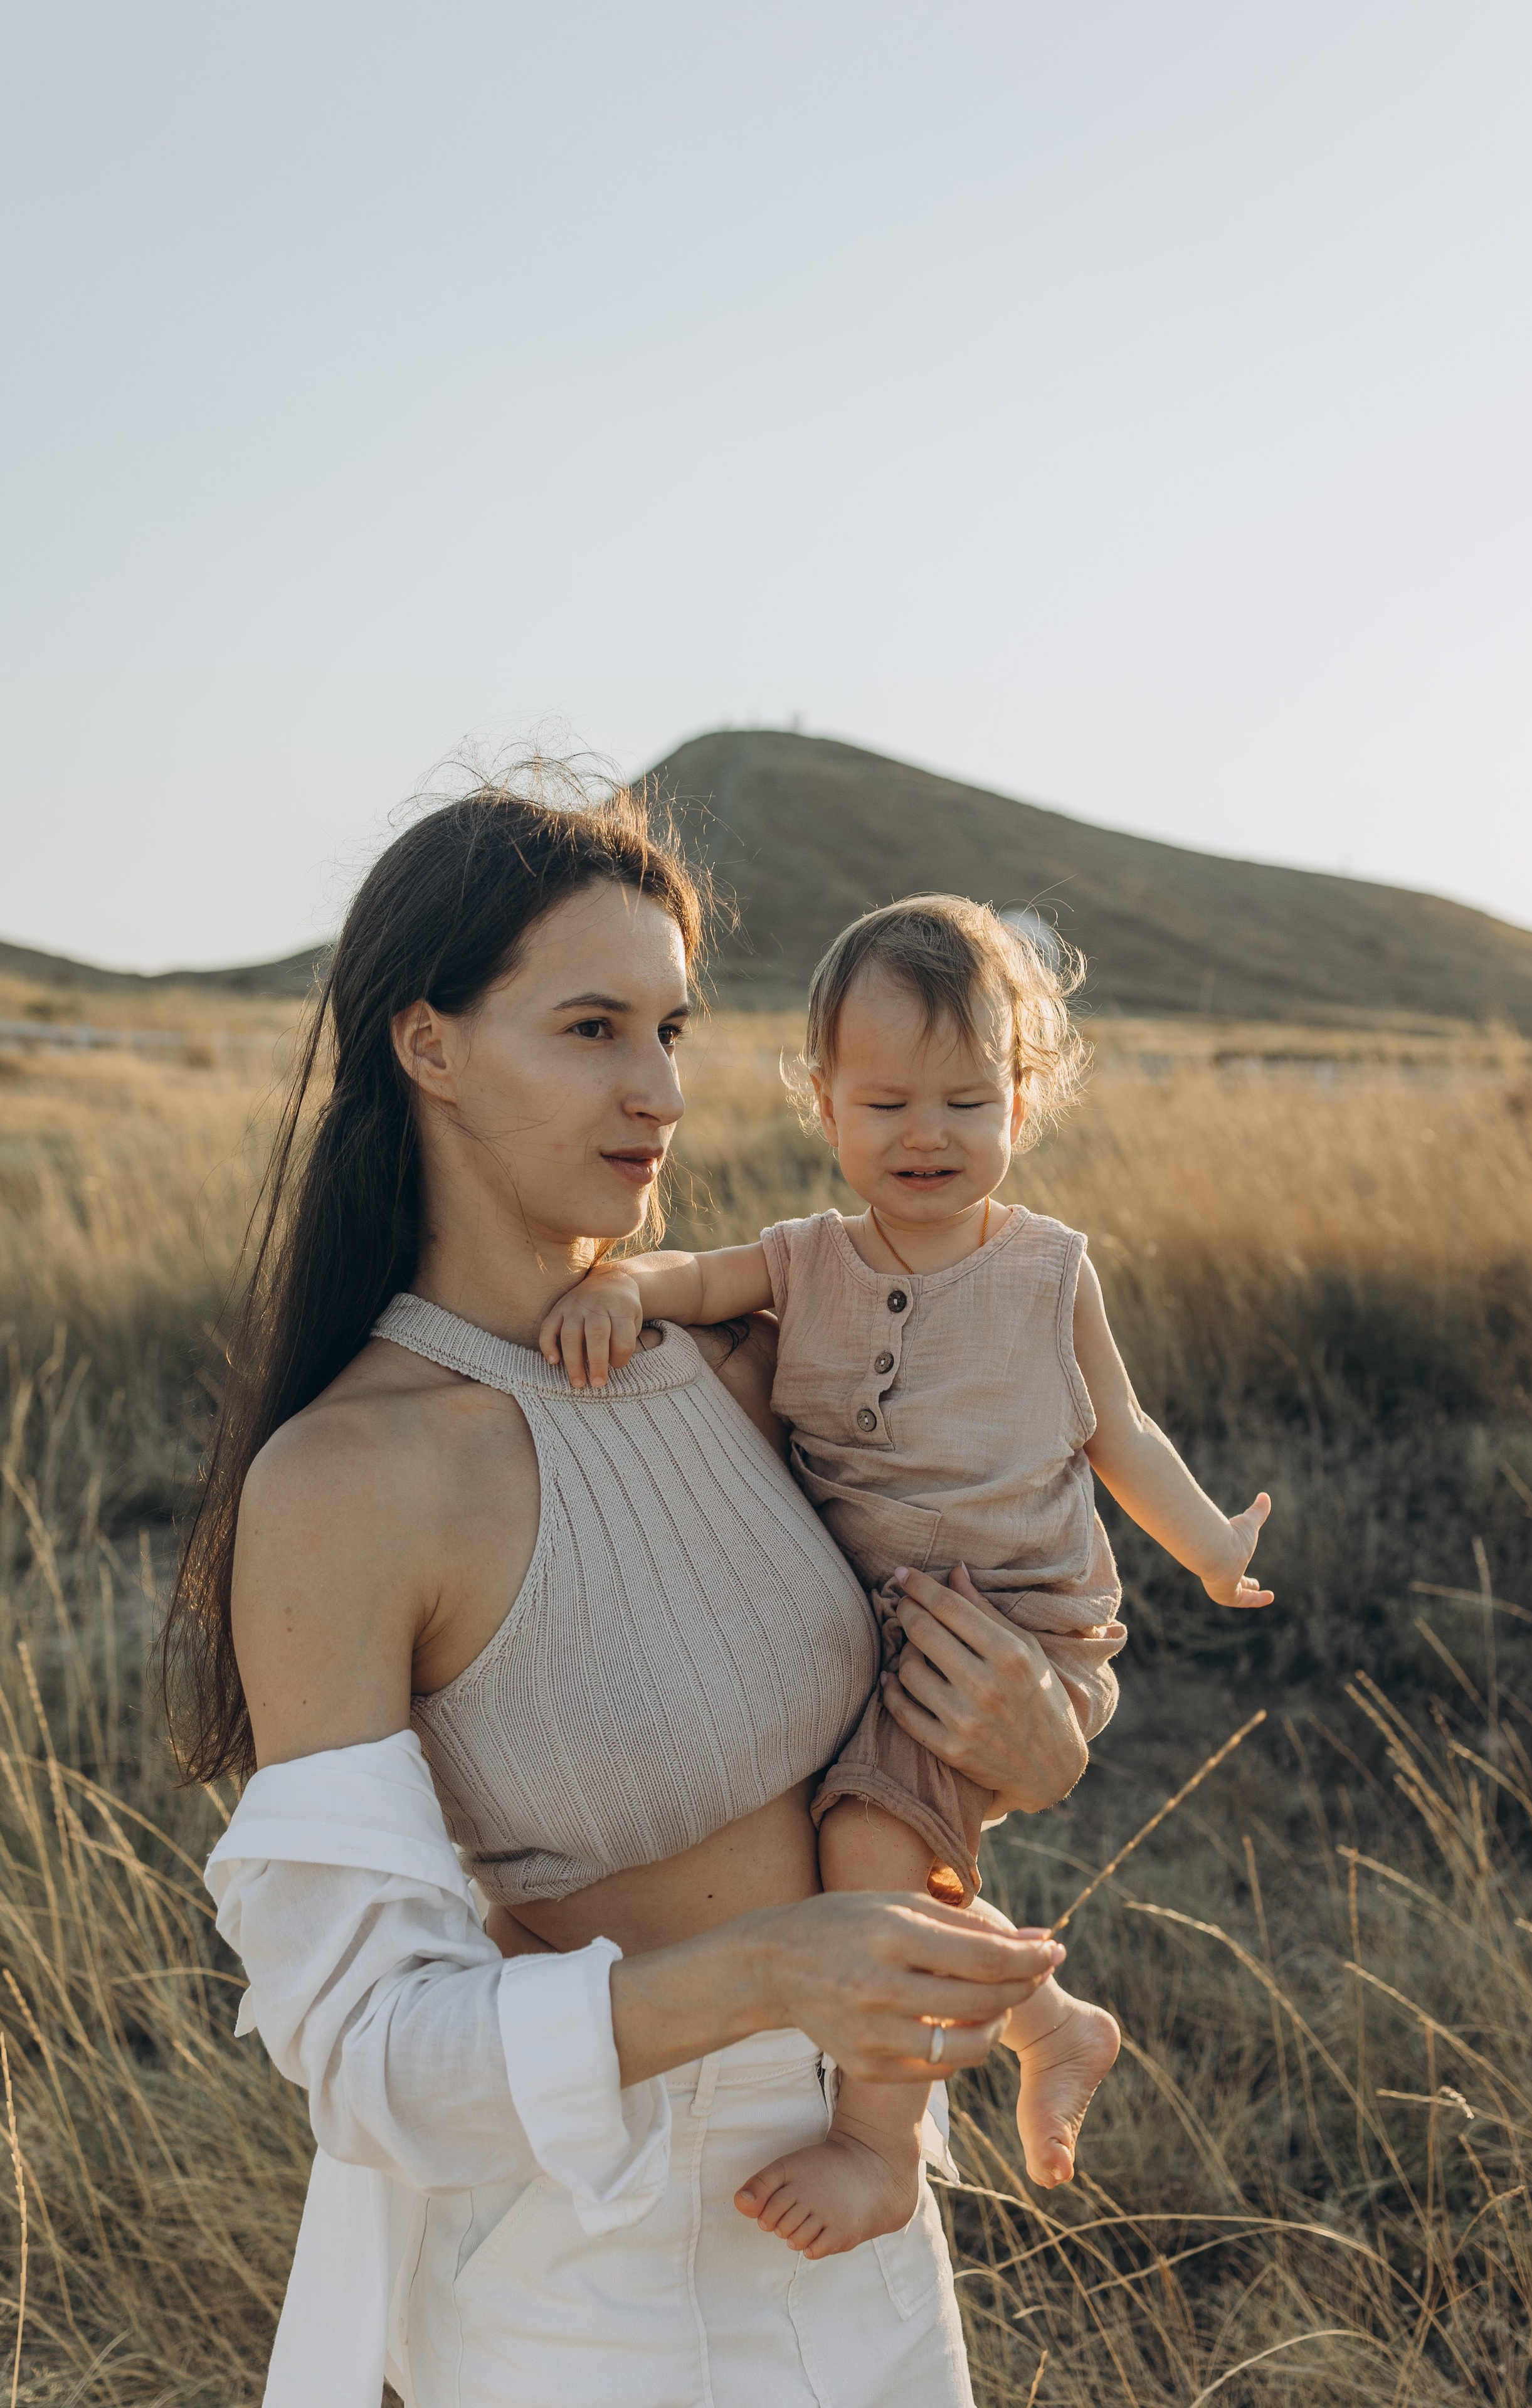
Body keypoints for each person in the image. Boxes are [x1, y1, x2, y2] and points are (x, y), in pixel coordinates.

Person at [166, 773, 1089, 2408]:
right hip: (592, 2277)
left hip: (865, 2209)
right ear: (426, 1041)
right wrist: (768, 1974)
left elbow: (911, 1736)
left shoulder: (739, 1362)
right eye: (593, 1028)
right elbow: (369, 2066)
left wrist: (1035, 1747)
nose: (659, 1090)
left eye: (675, 1030)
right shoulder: (348, 1483)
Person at [539, 892, 1276, 2261]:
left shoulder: (1048, 1272)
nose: (924, 1135)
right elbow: (695, 1279)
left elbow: (1122, 1437)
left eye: (963, 1099)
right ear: (822, 1103)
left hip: (1011, 1629)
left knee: (870, 1845)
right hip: (881, 1634)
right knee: (870, 1846)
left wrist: (1212, 1549)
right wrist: (621, 1292)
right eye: (884, 1103)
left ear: (1022, 1096)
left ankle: (878, 2148)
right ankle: (1046, 2016)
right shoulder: (803, 1262)